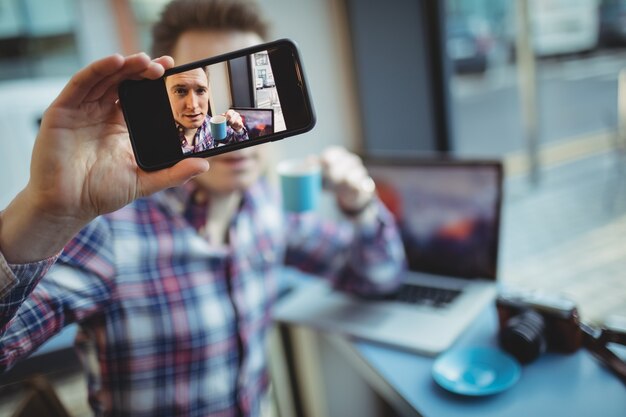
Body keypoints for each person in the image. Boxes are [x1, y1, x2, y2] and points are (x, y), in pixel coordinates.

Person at [0, 0, 406, 416]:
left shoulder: (264, 206)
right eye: (182, 89)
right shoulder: (110, 234)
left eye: (203, 90)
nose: (197, 105)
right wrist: (43, 210)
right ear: (165, 95)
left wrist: (360, 205)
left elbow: (377, 276)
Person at [165, 67, 249, 153]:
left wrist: (238, 129)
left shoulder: (209, 123)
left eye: (200, 90)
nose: (193, 105)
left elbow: (243, 147)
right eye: (180, 91)